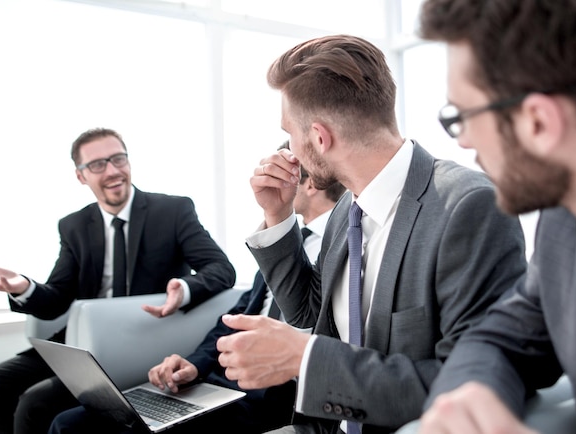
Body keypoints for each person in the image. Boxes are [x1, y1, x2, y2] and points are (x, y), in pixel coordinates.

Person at [213, 34, 529, 434]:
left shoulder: (468, 206)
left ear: (319, 137)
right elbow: (312, 314)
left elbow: (471, 386)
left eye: (289, 132)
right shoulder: (349, 207)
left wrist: (304, 359)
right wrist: (277, 216)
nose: (288, 147)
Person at [0, 127, 236, 434]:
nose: (112, 170)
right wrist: (23, 287)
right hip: (77, 345)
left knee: (33, 405)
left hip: (137, 343)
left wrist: (184, 289)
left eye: (118, 158)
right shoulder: (74, 226)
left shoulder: (173, 211)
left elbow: (221, 269)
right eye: (97, 164)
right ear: (81, 176)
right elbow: (57, 299)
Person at [47, 160, 347, 434]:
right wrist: (194, 364)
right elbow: (233, 319)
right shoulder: (284, 243)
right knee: (69, 422)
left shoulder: (340, 247)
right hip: (218, 383)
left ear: (308, 183)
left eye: (277, 174)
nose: (263, 182)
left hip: (268, 396)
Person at [396, 2, 576, 434]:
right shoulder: (563, 223)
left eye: (459, 117)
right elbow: (502, 335)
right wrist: (473, 395)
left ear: (538, 121)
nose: (462, 144)